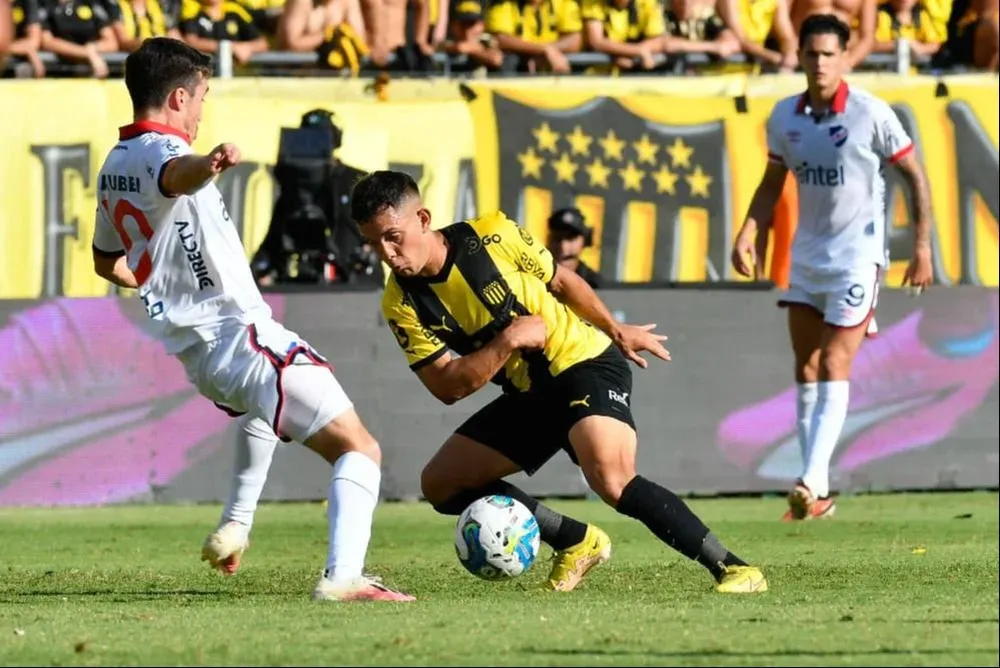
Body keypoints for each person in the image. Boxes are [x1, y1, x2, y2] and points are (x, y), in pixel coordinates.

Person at [89, 38, 412, 603]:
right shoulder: (162, 150)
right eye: (201, 98)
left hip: (202, 355)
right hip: (241, 336)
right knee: (360, 449)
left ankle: (235, 527)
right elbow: (176, 174)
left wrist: (171, 283)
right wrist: (209, 164)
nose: (201, 111)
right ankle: (344, 577)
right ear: (179, 97)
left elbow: (106, 260)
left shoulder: (114, 164)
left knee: (264, 415)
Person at [352, 170, 768, 594]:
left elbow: (562, 281)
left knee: (612, 479)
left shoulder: (493, 235)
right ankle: (575, 541)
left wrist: (615, 330)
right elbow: (446, 386)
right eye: (373, 243)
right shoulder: (399, 301)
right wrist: (508, 340)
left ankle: (735, 568)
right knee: (441, 483)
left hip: (584, 362)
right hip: (529, 393)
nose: (387, 253)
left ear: (423, 219)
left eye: (393, 237)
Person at [730, 14, 933, 521]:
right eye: (811, 53)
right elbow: (772, 183)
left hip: (858, 260)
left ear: (845, 58)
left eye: (828, 54)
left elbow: (914, 175)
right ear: (799, 56)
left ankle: (810, 480)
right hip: (807, 258)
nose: (820, 63)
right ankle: (814, 497)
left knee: (833, 364)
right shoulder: (785, 116)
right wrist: (749, 230)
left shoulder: (871, 113)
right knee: (805, 367)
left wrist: (922, 247)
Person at [546, 207, 603, 290]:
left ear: (585, 241)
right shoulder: (534, 279)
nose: (563, 247)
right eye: (557, 238)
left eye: (570, 238)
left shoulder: (595, 285)